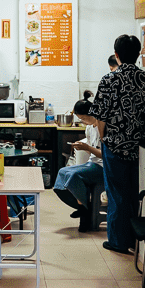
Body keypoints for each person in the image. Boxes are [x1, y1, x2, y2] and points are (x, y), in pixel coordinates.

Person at [90, 34, 145, 255]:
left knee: (117, 195)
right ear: (138, 54)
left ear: (116, 54)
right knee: (137, 193)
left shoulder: (109, 80)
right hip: (142, 148)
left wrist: (103, 138)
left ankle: (119, 242)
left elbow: (100, 116)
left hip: (115, 146)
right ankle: (137, 239)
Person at [52, 91, 103, 227]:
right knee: (63, 172)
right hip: (92, 163)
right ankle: (83, 206)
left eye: (83, 118)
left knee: (74, 175)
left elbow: (105, 155)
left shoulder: (102, 127)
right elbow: (92, 150)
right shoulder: (89, 128)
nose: (82, 121)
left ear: (91, 114)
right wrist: (83, 147)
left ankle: (84, 209)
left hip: (103, 166)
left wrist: (87, 147)